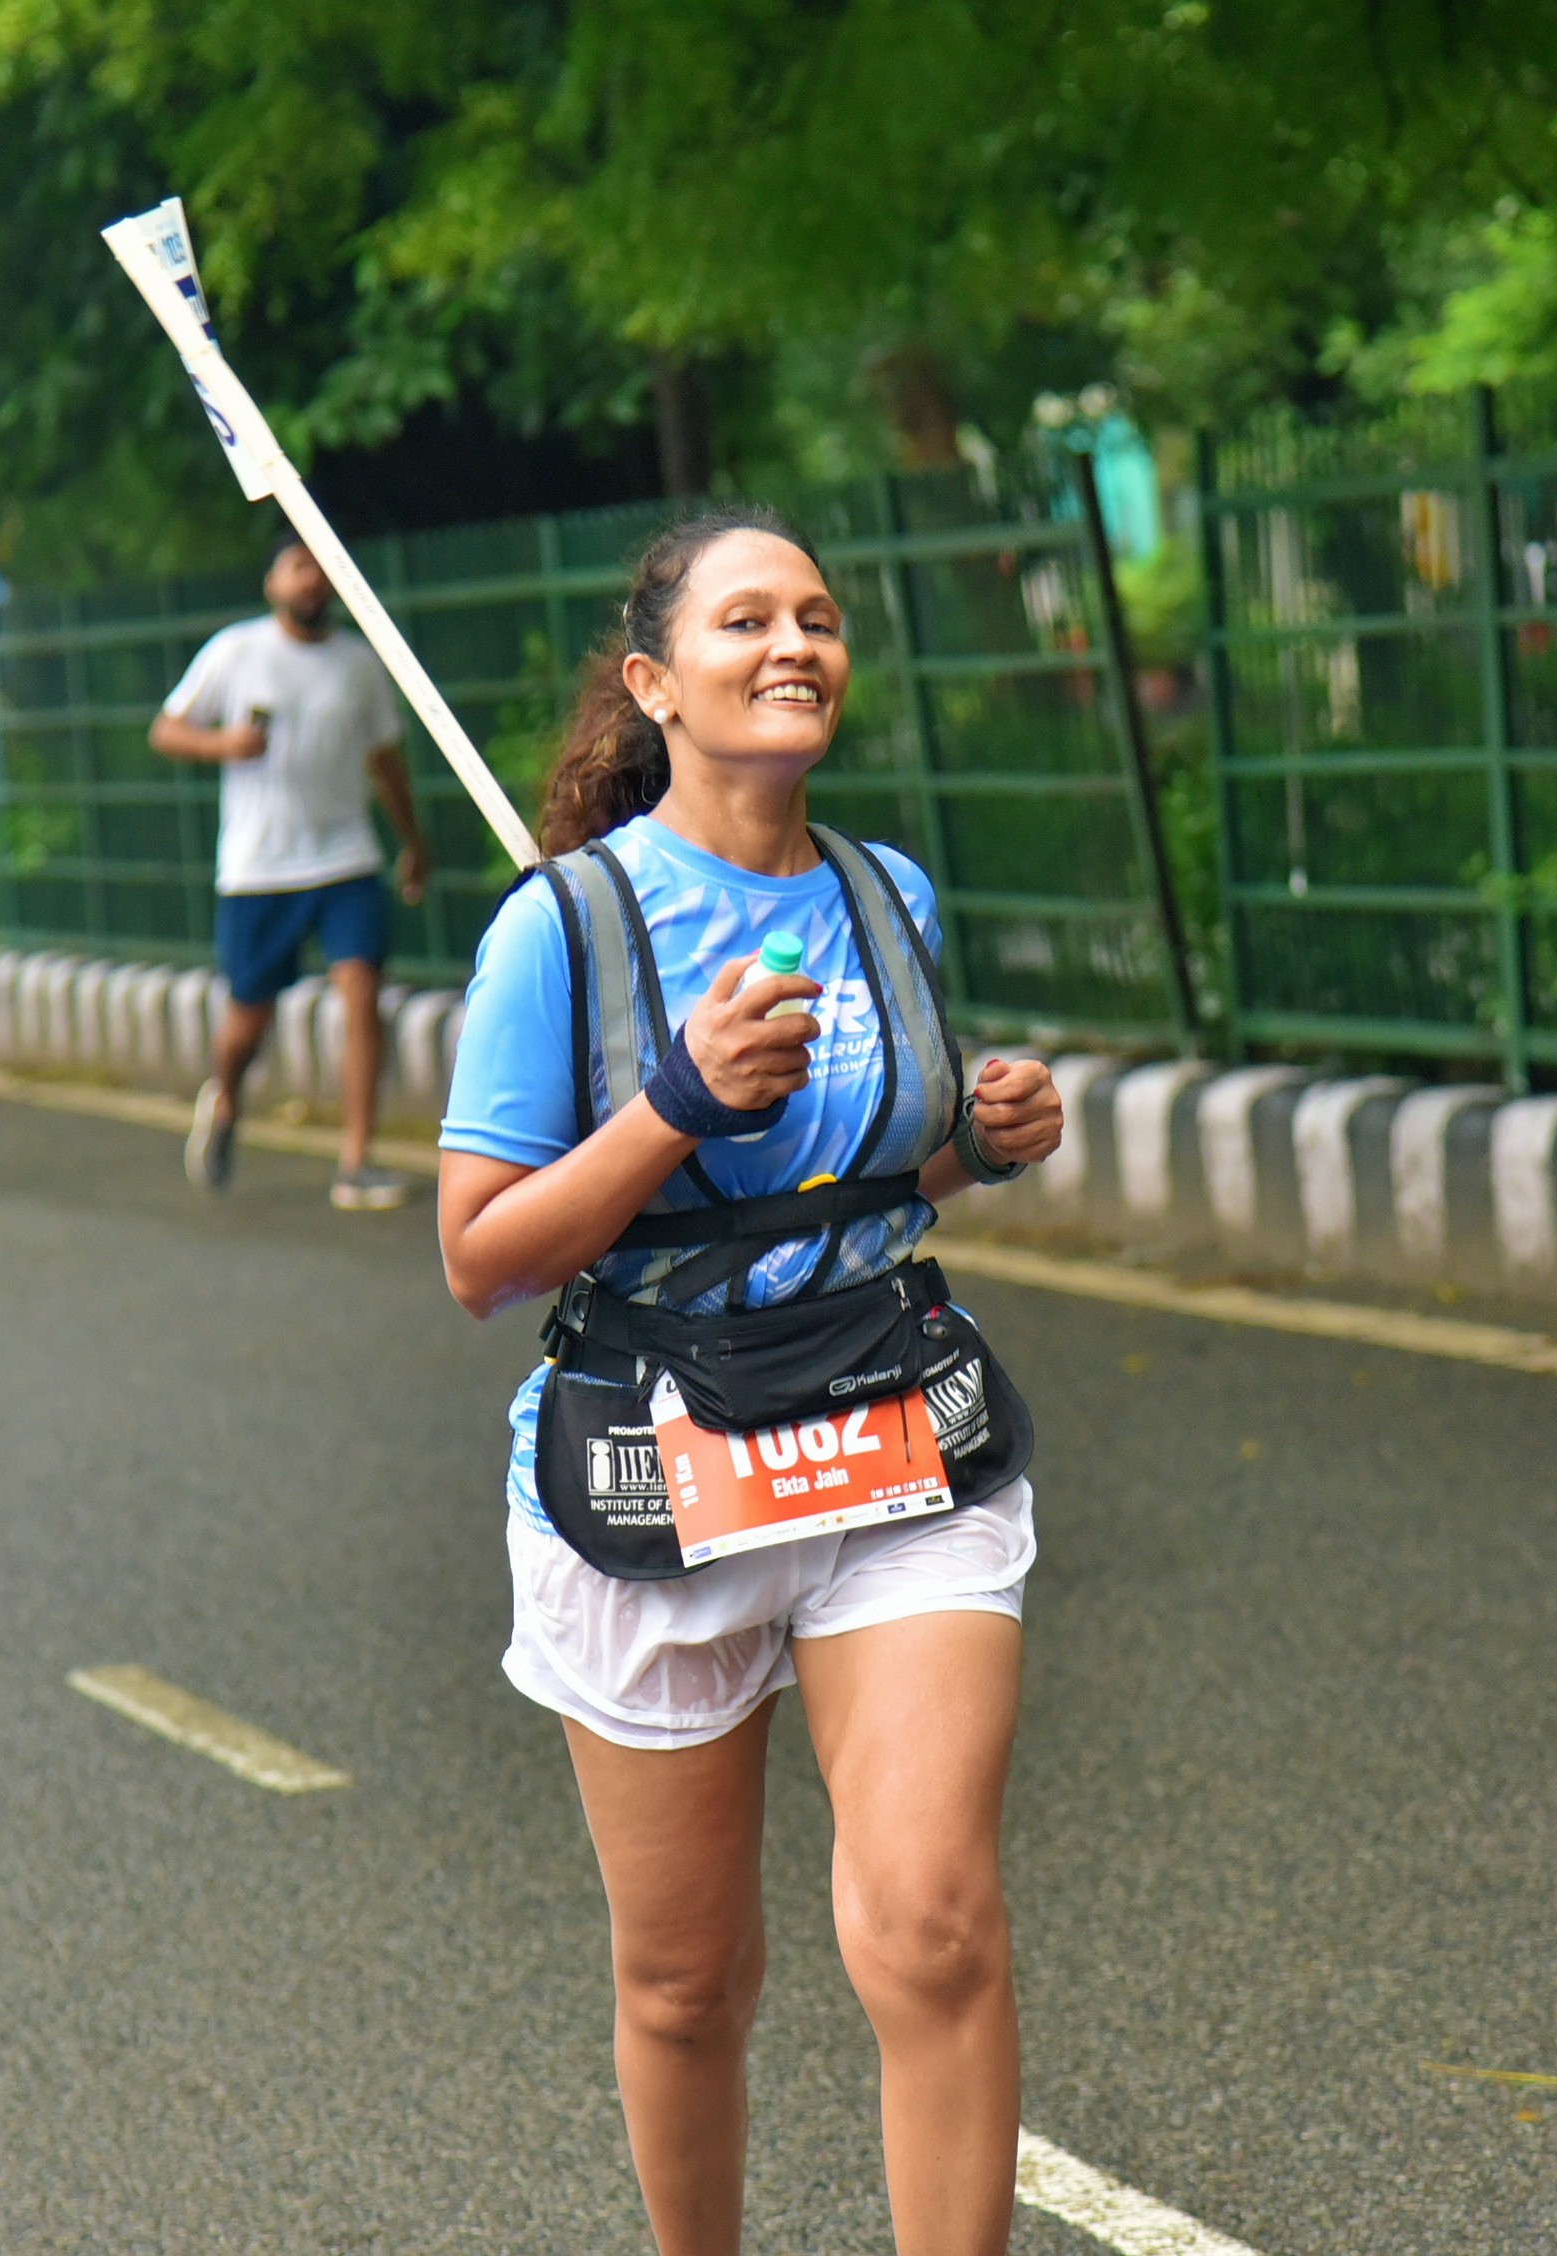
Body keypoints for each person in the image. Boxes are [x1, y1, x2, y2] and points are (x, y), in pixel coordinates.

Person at [437, 508, 1066, 2256]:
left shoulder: (884, 894)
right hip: (657, 1466)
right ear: (655, 684)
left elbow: (866, 1181)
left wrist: (978, 1144)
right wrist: (676, 1103)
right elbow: (481, 1257)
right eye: (745, 620)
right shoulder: (560, 931)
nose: (793, 643)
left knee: (933, 1925)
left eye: (817, 616)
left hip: (888, 1431)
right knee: (686, 1981)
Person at [149, 532, 432, 1210]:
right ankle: (225, 1098)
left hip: (346, 857)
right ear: (272, 584)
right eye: (296, 566)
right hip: (260, 867)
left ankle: (356, 1162)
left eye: (319, 566)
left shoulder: (359, 663)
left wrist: (412, 841)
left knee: (361, 992)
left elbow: (385, 759)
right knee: (248, 1020)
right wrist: (225, 744)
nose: (310, 579)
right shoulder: (236, 651)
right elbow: (166, 730)